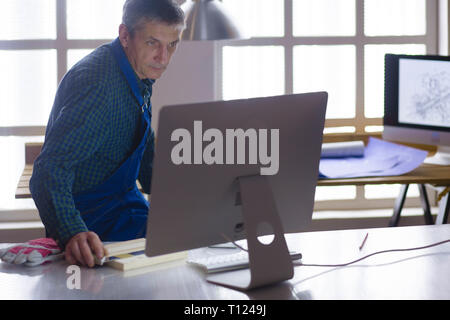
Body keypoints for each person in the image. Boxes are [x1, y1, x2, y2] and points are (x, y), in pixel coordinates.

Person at [28, 0, 185, 268]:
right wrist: (72, 232)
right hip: (91, 225)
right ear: (125, 35)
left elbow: (144, 147)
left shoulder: (139, 71)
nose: (164, 58)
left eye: (172, 45)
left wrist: (183, 198)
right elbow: (48, 171)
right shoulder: (100, 87)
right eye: (153, 43)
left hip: (124, 208)